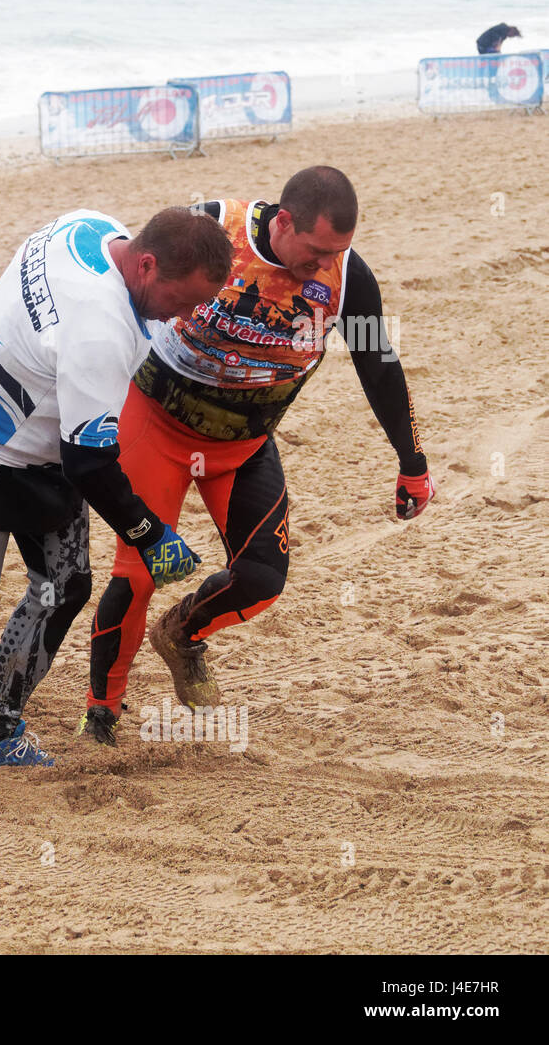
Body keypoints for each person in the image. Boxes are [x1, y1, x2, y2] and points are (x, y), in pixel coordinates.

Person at [0, 207, 234, 776]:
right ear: (147, 263)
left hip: (40, 452)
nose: (187, 315)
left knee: (66, 586)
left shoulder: (88, 226)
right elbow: (90, 462)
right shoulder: (100, 325)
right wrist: (147, 533)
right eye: (185, 299)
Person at [82, 166, 435, 744]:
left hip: (243, 445)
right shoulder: (211, 230)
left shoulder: (347, 278)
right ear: (285, 220)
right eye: (317, 250)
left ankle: (183, 634)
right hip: (157, 425)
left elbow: (378, 364)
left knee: (265, 579)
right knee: (139, 573)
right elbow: (119, 295)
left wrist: (412, 462)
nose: (324, 264)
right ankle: (101, 713)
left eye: (337, 252)